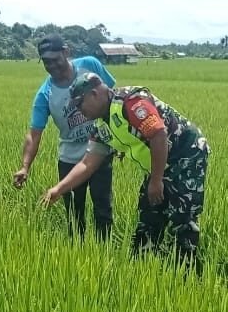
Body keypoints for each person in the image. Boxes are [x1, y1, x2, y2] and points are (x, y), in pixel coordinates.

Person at [41, 72, 210, 271]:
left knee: (182, 217)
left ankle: (186, 275)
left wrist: (156, 181)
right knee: (148, 213)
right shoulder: (102, 127)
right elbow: (87, 163)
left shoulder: (130, 102)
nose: (79, 111)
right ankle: (143, 269)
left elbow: (158, 134)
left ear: (94, 94)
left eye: (80, 104)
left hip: (186, 153)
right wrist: (59, 189)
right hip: (158, 164)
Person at [13, 36, 115, 240]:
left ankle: (104, 254)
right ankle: (77, 253)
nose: (51, 65)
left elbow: (112, 96)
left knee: (103, 208)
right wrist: (25, 166)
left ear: (66, 52)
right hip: (70, 158)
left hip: (100, 152)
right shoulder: (45, 94)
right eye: (46, 61)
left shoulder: (89, 65)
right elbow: (34, 134)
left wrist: (119, 138)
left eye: (55, 59)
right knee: (74, 215)